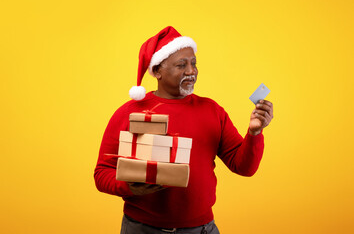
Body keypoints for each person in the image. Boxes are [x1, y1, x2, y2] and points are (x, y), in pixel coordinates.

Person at [94, 26, 273, 234]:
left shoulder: (212, 110)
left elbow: (244, 167)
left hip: (201, 229)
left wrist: (254, 134)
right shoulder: (129, 112)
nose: (191, 71)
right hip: (141, 229)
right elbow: (102, 173)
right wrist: (129, 187)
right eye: (181, 65)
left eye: (194, 63)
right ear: (158, 71)